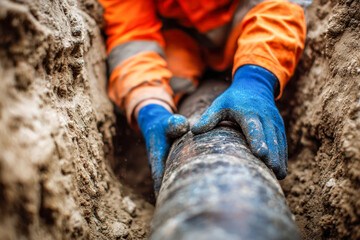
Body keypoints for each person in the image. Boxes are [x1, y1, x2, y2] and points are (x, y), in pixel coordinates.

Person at [98, 0, 310, 194]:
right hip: (180, 40)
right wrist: (149, 105)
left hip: (251, 24)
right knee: (173, 77)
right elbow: (131, 36)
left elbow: (281, 6)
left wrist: (256, 78)